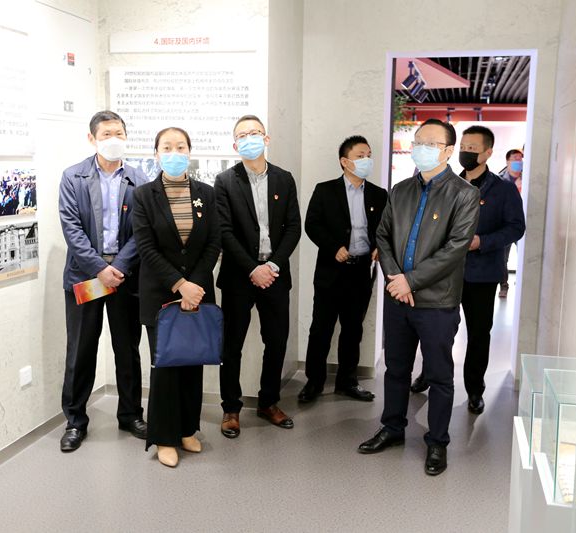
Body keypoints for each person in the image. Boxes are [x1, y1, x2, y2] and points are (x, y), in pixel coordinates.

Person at [358, 118, 479, 477]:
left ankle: (437, 441)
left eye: (430, 143)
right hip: (398, 299)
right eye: (418, 142)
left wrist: (409, 281)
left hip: (437, 303)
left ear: (448, 151)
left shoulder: (464, 194)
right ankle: (392, 427)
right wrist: (396, 280)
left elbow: (455, 249)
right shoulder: (401, 190)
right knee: (396, 369)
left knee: (439, 375)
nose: (421, 149)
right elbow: (383, 236)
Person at [411, 126, 525, 415]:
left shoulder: (503, 190)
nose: (466, 153)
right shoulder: (445, 183)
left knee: (478, 334)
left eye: (473, 149)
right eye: (463, 147)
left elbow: (516, 227)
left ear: (488, 153)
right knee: (436, 329)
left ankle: (474, 389)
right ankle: (428, 373)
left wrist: (482, 242)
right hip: (443, 271)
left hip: (482, 274)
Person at [58, 110, 148, 452]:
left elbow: (142, 231)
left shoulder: (138, 179)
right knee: (80, 350)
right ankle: (75, 421)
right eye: (107, 134)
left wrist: (118, 267)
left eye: (119, 133)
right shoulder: (73, 177)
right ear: (92, 139)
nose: (114, 140)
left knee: (127, 349)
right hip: (86, 277)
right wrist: (99, 268)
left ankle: (131, 414)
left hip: (125, 278)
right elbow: (72, 229)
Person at [132, 127, 221, 467]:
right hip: (161, 295)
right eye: (166, 147)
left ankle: (187, 430)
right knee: (166, 366)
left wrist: (194, 286)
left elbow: (213, 242)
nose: (174, 153)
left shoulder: (206, 193)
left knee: (192, 362)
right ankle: (164, 437)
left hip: (198, 293)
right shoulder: (144, 195)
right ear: (156, 154)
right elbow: (146, 247)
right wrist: (179, 285)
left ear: (189, 152)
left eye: (180, 147)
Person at [214, 114, 302, 438]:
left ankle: (268, 402)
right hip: (239, 276)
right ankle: (231, 408)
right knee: (231, 345)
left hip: (275, 275)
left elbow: (294, 227)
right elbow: (224, 231)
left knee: (276, 341)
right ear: (235, 144)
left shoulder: (284, 179)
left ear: (266, 138)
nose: (249, 138)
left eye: (255, 133)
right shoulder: (225, 181)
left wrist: (272, 266)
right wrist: (252, 268)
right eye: (242, 135)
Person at [298, 135, 388, 403]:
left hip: (360, 271)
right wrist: (332, 247)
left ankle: (347, 382)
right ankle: (314, 382)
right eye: (360, 156)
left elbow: (385, 228)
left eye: (369, 155)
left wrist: (379, 247)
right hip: (331, 270)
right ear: (345, 161)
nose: (367, 160)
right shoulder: (325, 190)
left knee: (353, 329)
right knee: (321, 329)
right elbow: (312, 224)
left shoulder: (379, 194)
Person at [497, 148, 524, 298]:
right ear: (507, 161)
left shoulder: (528, 178)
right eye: (515, 159)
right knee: (503, 258)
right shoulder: (499, 180)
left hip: (522, 224)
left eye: (520, 159)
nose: (518, 162)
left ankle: (521, 282)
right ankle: (503, 285)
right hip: (505, 225)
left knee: (524, 255)